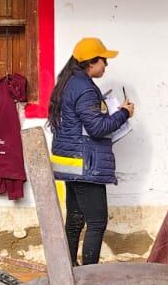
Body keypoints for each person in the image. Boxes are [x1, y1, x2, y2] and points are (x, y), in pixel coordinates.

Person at [49, 36, 133, 265]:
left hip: (71, 163)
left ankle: (67, 271)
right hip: (86, 164)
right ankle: (89, 277)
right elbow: (97, 128)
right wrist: (123, 113)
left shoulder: (68, 82)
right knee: (96, 222)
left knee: (75, 219)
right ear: (91, 62)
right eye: (103, 60)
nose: (106, 65)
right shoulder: (85, 89)